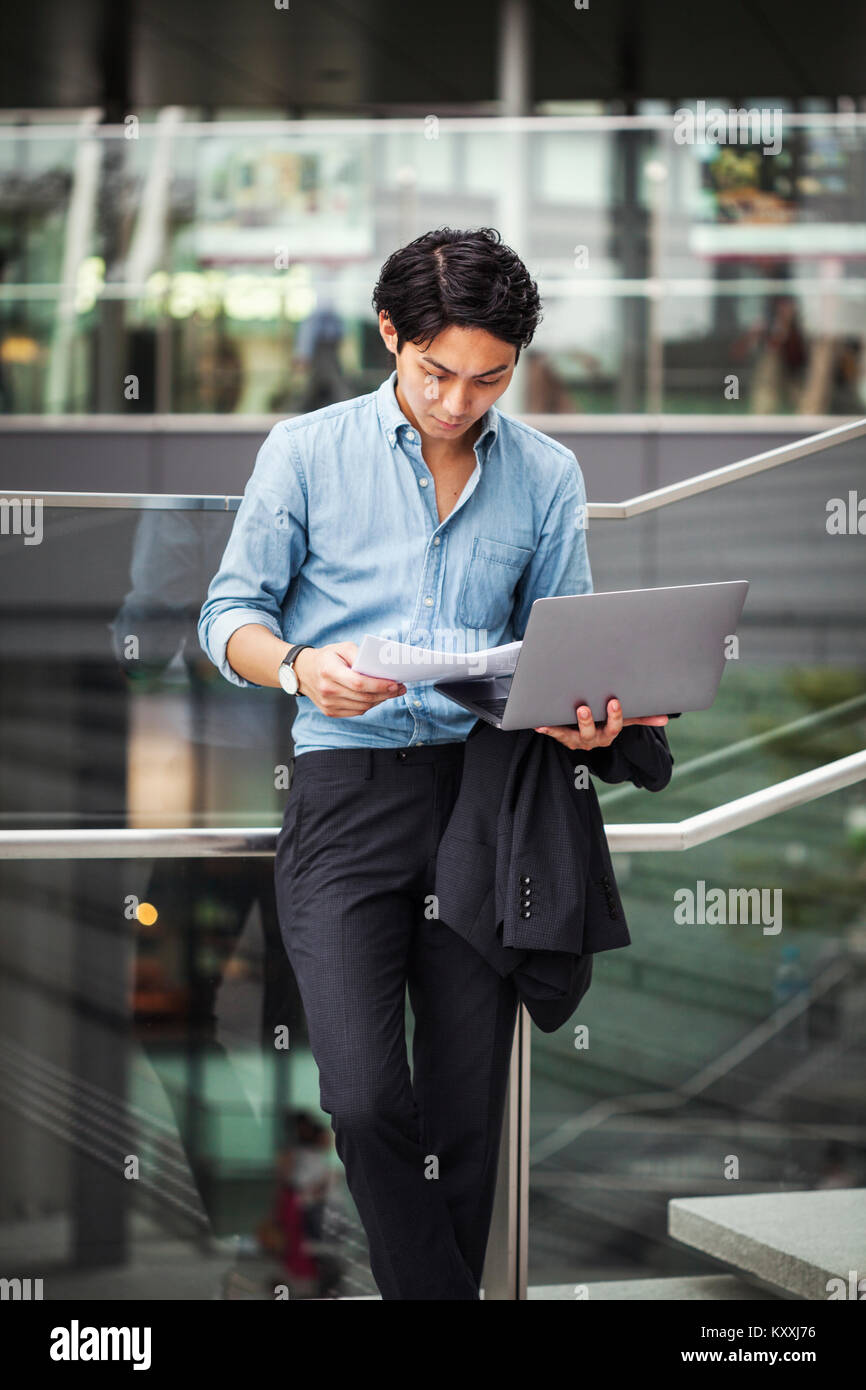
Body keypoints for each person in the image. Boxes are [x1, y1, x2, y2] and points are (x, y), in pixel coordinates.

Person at [198, 226, 668, 1300]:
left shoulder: (546, 473)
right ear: (388, 336)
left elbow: (563, 636)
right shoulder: (304, 450)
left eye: (489, 378)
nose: (459, 401)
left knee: (466, 1114)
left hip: (484, 806)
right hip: (344, 795)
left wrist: (585, 715)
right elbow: (226, 615)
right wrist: (300, 669)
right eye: (435, 371)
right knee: (362, 1096)